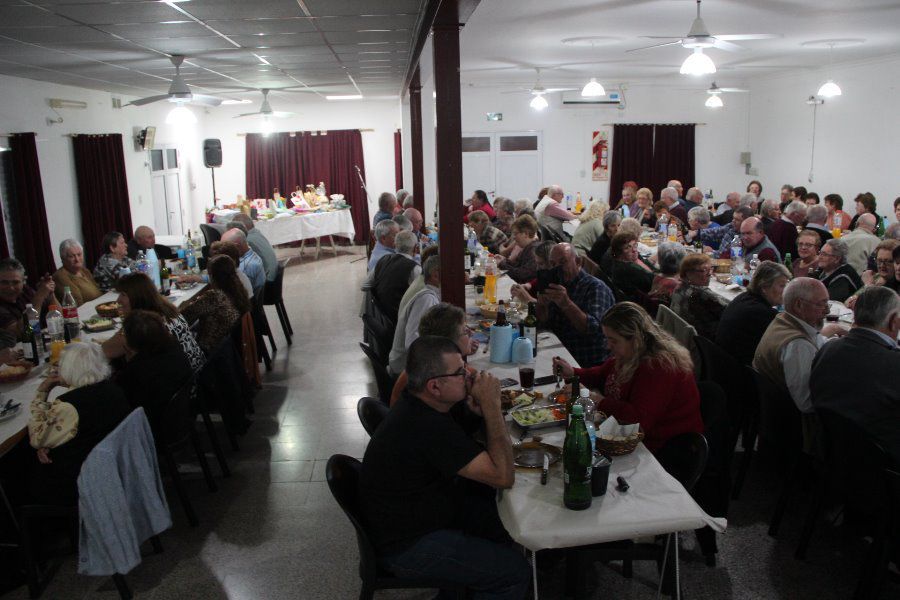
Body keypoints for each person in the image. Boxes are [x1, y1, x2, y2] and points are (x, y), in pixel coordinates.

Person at [361, 336, 528, 599]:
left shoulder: (418, 403)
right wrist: (492, 406)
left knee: (501, 520)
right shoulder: (425, 426)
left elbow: (446, 447)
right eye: (460, 372)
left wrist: (473, 414)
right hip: (407, 546)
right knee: (514, 572)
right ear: (435, 386)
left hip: (416, 516)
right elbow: (503, 476)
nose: (469, 375)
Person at [553, 302, 703, 453]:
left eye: (613, 340)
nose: (608, 346)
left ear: (635, 339)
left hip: (665, 448)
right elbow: (602, 374)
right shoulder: (631, 353)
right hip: (633, 437)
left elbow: (637, 420)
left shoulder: (660, 366)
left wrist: (595, 399)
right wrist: (573, 373)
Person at [26, 342, 131, 505]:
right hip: (111, 465)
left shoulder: (68, 406)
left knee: (20, 463)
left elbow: (36, 438)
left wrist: (42, 391)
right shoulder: (113, 389)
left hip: (81, 477)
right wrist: (52, 441)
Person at [810, 287, 899, 465]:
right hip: (883, 466)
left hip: (831, 454)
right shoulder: (893, 363)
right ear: (893, 321)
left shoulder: (827, 349)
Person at [753, 278, 843, 452]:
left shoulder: (784, 319)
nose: (827, 311)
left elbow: (818, 340)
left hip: (771, 416)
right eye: (821, 304)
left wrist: (837, 345)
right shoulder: (798, 345)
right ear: (799, 305)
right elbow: (807, 403)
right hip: (794, 426)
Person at [103, 273, 204, 371]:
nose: (118, 300)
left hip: (179, 382)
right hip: (195, 373)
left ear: (137, 297)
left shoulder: (143, 326)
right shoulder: (168, 310)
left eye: (123, 294)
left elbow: (105, 351)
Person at [536, 243, 615, 368]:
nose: (557, 268)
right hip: (558, 353)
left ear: (578, 262)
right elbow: (545, 324)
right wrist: (541, 306)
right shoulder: (556, 285)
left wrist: (567, 304)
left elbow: (594, 331)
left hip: (586, 361)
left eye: (563, 262)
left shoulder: (595, 287)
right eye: (552, 264)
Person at [389, 303, 479, 407]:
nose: (471, 333)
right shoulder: (447, 377)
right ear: (448, 344)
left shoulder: (424, 364)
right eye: (465, 331)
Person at [115, 309, 193, 427]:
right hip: (184, 416)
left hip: (155, 429)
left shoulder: (136, 372)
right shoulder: (174, 347)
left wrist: (130, 361)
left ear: (131, 342)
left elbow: (124, 401)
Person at [716, 261, 791, 366]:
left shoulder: (743, 297)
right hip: (738, 372)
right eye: (782, 285)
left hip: (722, 363)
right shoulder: (762, 313)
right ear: (764, 287)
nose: (786, 290)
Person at [178, 255, 249, 355]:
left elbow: (184, 318)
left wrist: (184, 305)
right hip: (225, 351)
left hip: (208, 352)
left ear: (213, 277)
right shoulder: (238, 291)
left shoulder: (214, 297)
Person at [388, 255, 441, 376]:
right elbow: (412, 343)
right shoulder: (426, 299)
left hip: (408, 363)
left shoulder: (427, 290)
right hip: (405, 368)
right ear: (436, 275)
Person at [363, 230, 421, 324]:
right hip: (402, 320)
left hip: (381, 318)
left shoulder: (383, 260)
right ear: (415, 248)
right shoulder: (415, 269)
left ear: (395, 245)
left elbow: (365, 286)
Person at [670, 253, 729, 340]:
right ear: (688, 273)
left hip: (680, 335)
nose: (709, 274)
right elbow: (732, 309)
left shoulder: (679, 286)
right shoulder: (701, 294)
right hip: (701, 341)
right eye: (704, 270)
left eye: (710, 269)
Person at [0, 258, 55, 349]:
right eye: (4, 283)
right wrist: (39, 297)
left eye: (15, 282)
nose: (11, 288)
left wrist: (50, 293)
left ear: (23, 281)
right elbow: (20, 333)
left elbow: (59, 317)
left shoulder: (25, 290)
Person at [847, 240, 900, 308]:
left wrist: (868, 286)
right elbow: (848, 302)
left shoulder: (894, 285)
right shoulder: (876, 277)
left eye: (888, 261)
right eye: (879, 260)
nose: (882, 265)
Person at [51, 239, 101, 306]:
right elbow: (76, 303)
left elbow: (98, 291)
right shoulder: (60, 276)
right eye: (72, 256)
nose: (77, 259)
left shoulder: (84, 271)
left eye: (79, 254)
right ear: (63, 258)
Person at [229, 213, 277, 282]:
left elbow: (244, 264)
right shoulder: (257, 233)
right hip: (273, 274)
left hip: (268, 281)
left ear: (242, 227)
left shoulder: (248, 240)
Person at [609, 232, 655, 300]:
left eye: (635, 245)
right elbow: (653, 282)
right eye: (627, 248)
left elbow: (647, 264)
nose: (634, 250)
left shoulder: (631, 258)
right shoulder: (627, 269)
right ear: (619, 253)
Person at [220, 228, 265, 296]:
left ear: (236, 246)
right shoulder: (249, 252)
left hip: (248, 303)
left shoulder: (246, 267)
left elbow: (234, 292)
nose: (222, 252)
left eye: (225, 248)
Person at [497, 214, 541, 284]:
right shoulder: (527, 247)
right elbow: (517, 266)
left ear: (526, 234)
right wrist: (504, 260)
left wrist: (502, 264)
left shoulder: (534, 251)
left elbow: (522, 275)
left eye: (515, 233)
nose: (514, 237)